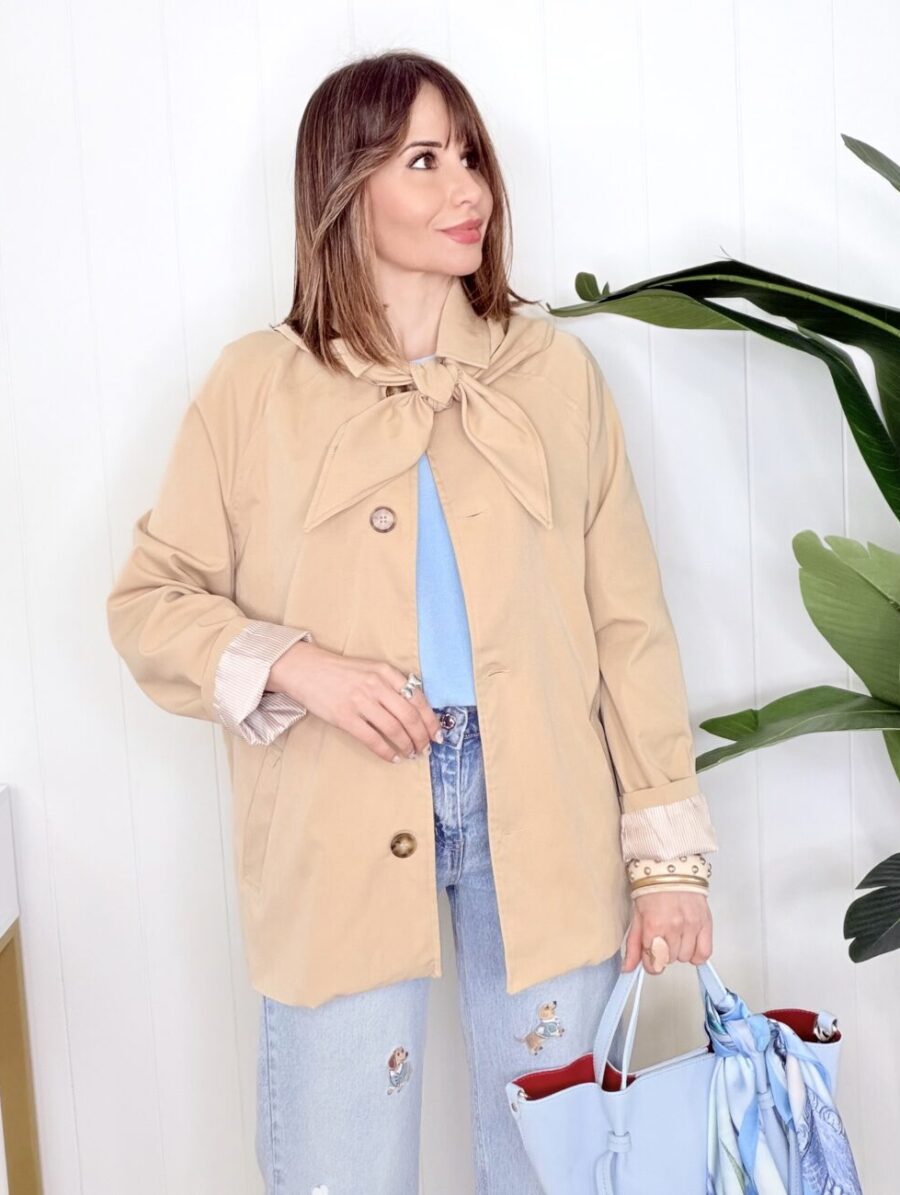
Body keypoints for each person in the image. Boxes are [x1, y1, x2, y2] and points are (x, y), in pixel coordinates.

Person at [107, 49, 718, 1195]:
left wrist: (668, 865)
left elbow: (630, 626)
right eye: (424, 160)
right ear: (345, 188)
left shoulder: (554, 374)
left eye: (469, 155)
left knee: (556, 1161)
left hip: (545, 806)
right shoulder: (255, 385)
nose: (468, 187)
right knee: (338, 1162)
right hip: (337, 798)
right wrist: (301, 666)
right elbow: (150, 600)